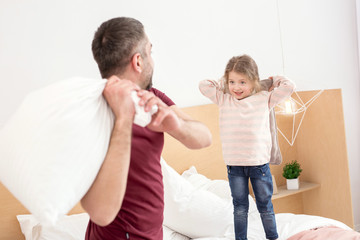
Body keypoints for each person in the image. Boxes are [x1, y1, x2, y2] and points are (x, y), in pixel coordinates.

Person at [81, 17, 212, 240]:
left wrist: (177, 126)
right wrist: (123, 120)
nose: (153, 59)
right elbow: (100, 213)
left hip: (152, 233)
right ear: (138, 61)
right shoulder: (93, 112)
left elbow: (204, 138)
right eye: (150, 52)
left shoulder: (151, 99)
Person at [199, 54, 295, 240]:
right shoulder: (224, 100)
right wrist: (222, 83)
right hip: (235, 165)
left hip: (258, 163)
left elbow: (289, 86)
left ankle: (272, 237)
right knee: (240, 208)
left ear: (253, 81)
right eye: (232, 81)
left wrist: (272, 80)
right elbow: (203, 85)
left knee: (264, 206)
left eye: (243, 82)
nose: (236, 87)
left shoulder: (264, 98)